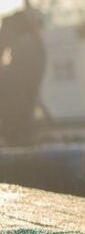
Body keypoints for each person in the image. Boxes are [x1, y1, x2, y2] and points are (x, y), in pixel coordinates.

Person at [0, 9, 47, 146]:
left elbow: (15, 81)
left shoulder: (26, 44)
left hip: (18, 121)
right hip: (21, 118)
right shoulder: (31, 42)